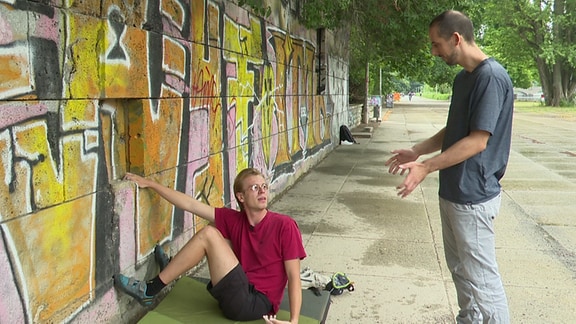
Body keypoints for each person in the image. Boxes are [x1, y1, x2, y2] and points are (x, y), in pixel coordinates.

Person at [385, 10, 513, 324]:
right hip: (454, 193)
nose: (434, 51)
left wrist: (426, 167)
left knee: (482, 280)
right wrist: (416, 150)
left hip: (474, 197)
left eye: (436, 44)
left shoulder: (491, 77)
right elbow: (454, 131)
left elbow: (477, 141)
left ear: (456, 39)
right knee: (461, 272)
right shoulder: (464, 78)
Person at [115, 168, 306, 324]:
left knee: (209, 235)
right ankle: (172, 269)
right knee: (214, 228)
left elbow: (293, 276)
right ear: (241, 196)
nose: (263, 191)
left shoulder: (284, 225)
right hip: (237, 290)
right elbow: (191, 205)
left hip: (254, 303)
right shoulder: (234, 219)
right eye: (255, 187)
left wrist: (294, 320)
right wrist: (150, 184)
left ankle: (150, 290)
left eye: (264, 186)